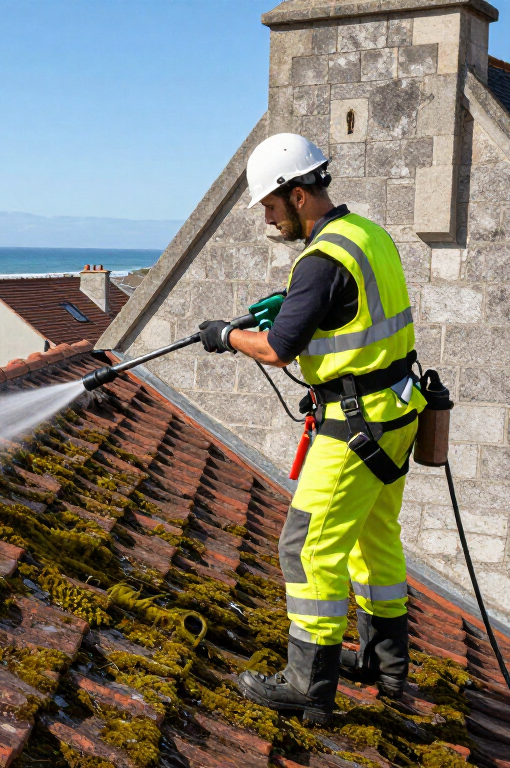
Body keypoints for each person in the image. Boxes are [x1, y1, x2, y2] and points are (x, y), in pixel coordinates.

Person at [196, 133, 424, 725]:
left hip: (355, 426)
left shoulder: (321, 260)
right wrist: (298, 302)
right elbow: (352, 314)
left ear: (298, 196)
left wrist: (225, 336)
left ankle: (307, 683)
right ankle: (384, 664)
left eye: (270, 208)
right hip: (398, 414)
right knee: (374, 538)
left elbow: (276, 350)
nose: (268, 220)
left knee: (306, 546)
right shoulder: (366, 234)